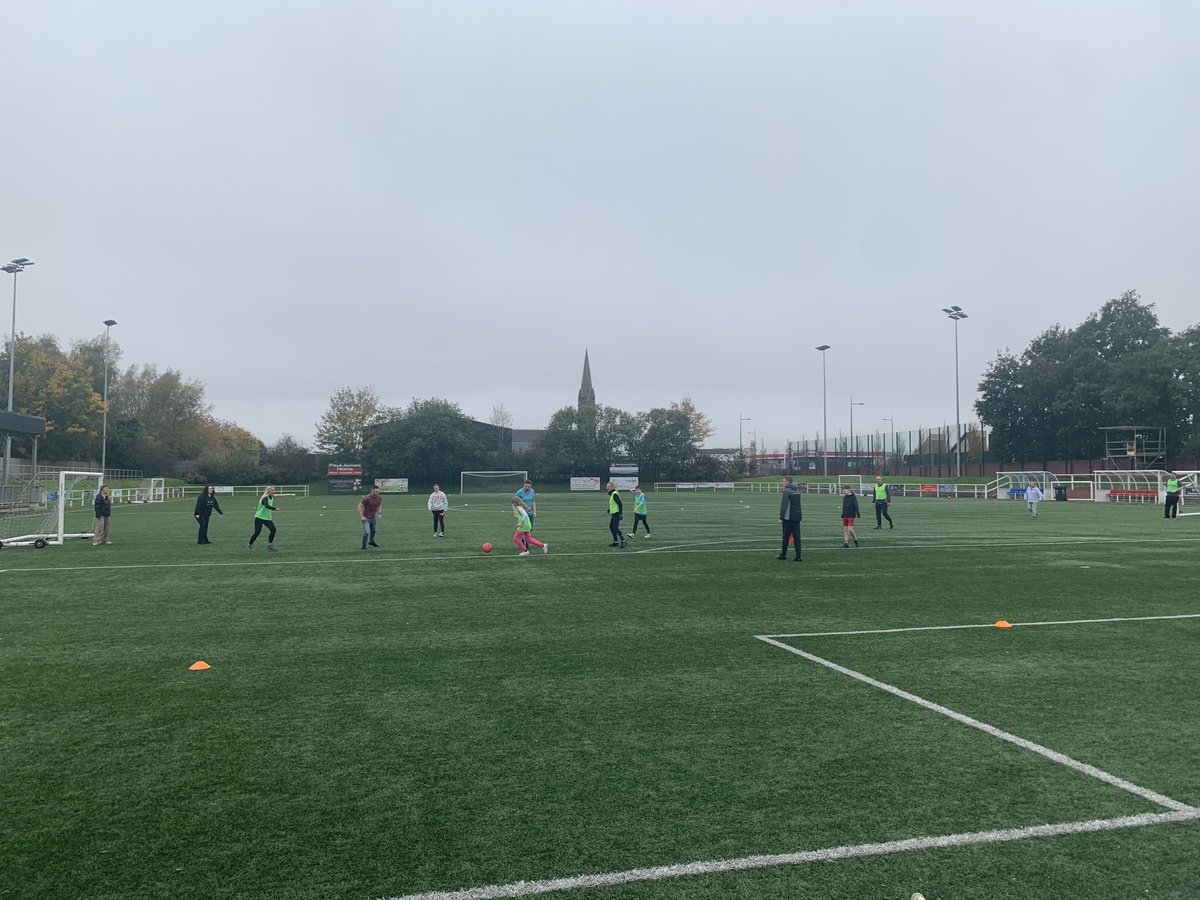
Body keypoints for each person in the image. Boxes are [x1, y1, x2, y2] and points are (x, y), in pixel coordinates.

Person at [248, 486, 279, 552]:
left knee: (273, 530)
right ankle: (250, 544)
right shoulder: (265, 498)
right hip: (259, 518)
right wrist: (275, 508)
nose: (274, 492)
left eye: (274, 490)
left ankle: (270, 545)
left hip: (267, 518)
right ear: (268, 491)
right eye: (272, 490)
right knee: (257, 532)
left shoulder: (271, 498)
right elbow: (266, 506)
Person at [778, 475, 802, 561]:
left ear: (788, 482)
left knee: (785, 537)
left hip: (788, 518)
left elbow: (784, 505)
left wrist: (781, 517)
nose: (782, 482)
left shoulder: (787, 491)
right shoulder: (797, 491)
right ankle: (798, 556)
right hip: (797, 517)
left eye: (783, 481)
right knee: (797, 537)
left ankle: (783, 554)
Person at [606, 481, 630, 548]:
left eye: (608, 486)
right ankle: (616, 541)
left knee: (615, 528)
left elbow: (620, 504)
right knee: (611, 527)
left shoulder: (614, 494)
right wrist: (610, 509)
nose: (607, 488)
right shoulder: (612, 494)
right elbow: (614, 504)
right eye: (607, 486)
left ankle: (623, 541)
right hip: (613, 513)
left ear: (612, 487)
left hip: (616, 514)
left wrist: (620, 514)